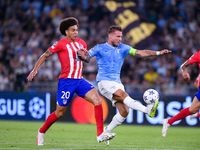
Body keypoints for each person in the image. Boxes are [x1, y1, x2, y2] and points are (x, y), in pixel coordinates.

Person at [27, 17, 115, 146]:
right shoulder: (60, 44)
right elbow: (45, 55)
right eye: (73, 30)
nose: (76, 32)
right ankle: (41, 131)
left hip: (80, 81)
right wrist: (35, 70)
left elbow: (86, 60)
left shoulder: (82, 43)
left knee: (97, 100)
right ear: (66, 32)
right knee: (60, 113)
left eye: (77, 30)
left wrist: (84, 56)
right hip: (66, 82)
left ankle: (100, 134)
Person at [78, 25, 171, 145]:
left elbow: (140, 53)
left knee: (125, 111)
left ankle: (106, 131)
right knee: (123, 95)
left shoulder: (124, 48)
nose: (120, 39)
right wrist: (81, 56)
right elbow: (87, 58)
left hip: (117, 83)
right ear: (110, 36)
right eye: (117, 36)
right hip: (104, 82)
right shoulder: (100, 48)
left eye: (121, 36)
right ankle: (147, 110)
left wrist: (158, 53)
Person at [162, 51, 200, 137]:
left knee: (192, 110)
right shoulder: (198, 55)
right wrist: (184, 71)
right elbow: (183, 65)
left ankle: (169, 121)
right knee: (192, 110)